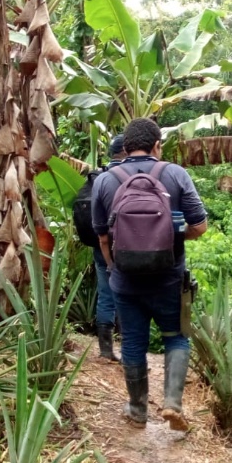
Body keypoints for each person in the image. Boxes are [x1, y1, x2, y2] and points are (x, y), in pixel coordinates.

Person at [90, 118, 208, 431]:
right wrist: (167, 240)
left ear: (125, 147)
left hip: (125, 281)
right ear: (158, 145)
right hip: (169, 277)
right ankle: (172, 403)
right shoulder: (175, 174)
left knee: (132, 342)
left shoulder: (105, 180)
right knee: (176, 337)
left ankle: (138, 409)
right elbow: (199, 226)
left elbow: (102, 236)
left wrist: (115, 266)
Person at [91, 134, 126, 362]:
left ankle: (105, 350)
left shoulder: (100, 178)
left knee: (106, 293)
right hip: (130, 246)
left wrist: (105, 252)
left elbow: (98, 224)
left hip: (101, 246)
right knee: (129, 295)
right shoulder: (130, 177)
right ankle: (129, 352)